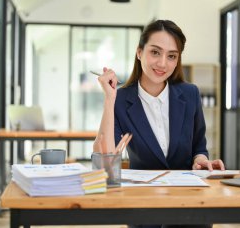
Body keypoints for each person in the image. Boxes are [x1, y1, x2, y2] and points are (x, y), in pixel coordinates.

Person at [93, 20, 225, 228]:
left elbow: (199, 146)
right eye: (155, 52)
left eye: (171, 56)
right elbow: (105, 162)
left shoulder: (190, 94)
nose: (163, 63)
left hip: (189, 205)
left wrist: (200, 161)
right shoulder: (120, 100)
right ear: (139, 52)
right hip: (143, 208)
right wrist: (110, 99)